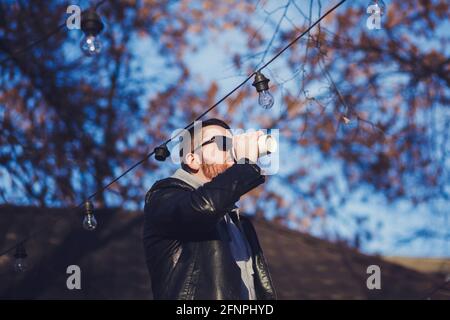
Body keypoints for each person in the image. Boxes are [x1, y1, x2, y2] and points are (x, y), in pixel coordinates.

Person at [143, 118, 276, 300]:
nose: (231, 150)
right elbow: (202, 208)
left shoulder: (239, 223)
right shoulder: (163, 197)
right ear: (192, 159)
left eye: (232, 143)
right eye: (222, 143)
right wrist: (245, 164)